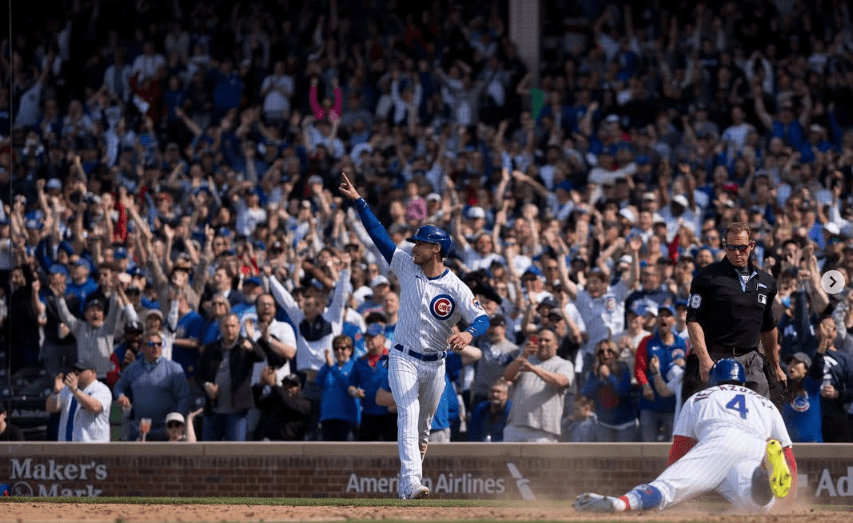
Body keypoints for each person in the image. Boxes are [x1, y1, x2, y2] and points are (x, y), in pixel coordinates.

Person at [340, 172, 489, 500]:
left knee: (423, 429)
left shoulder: (455, 286)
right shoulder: (407, 266)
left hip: (436, 365)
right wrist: (359, 202)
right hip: (403, 355)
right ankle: (409, 481)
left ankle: (411, 479)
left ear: (435, 249)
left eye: (420, 243)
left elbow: (483, 318)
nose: (414, 246)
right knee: (406, 414)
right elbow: (379, 236)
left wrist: (468, 332)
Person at [574, 359, 796, 513]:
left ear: (714, 380)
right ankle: (762, 472)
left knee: (666, 488)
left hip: (719, 443)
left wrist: (680, 483)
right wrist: (789, 501)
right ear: (742, 382)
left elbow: (679, 448)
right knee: (758, 505)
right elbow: (787, 454)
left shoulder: (699, 398)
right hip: (756, 447)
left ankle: (622, 503)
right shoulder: (764, 403)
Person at [685, 222, 784, 405]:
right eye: (731, 247)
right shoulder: (706, 277)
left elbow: (768, 327)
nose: (736, 252)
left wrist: (776, 366)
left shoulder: (766, 282)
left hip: (752, 361)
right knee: (716, 415)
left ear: (751, 246)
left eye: (741, 247)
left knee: (761, 415)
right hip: (717, 357)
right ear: (724, 245)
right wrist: (704, 359)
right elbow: (693, 320)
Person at [196, 313, 266, 441]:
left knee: (236, 454)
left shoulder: (244, 346)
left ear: (239, 327)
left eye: (233, 326)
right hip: (213, 410)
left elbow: (261, 356)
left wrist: (250, 343)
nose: (230, 330)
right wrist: (207, 386)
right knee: (208, 454)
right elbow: (199, 375)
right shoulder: (211, 349)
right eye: (226, 326)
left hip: (237, 412)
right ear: (221, 328)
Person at [113, 330, 191, 441]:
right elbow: (119, 386)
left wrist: (176, 424)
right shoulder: (133, 368)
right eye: (151, 344)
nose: (155, 347)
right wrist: (121, 395)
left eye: (159, 344)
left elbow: (184, 397)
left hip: (165, 430)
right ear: (142, 348)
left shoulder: (174, 368)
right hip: (139, 428)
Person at [502, 327, 574, 442]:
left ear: (557, 344)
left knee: (539, 461)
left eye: (547, 340)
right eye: (539, 340)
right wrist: (523, 355)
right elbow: (507, 376)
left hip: (542, 430)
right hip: (516, 425)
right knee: (509, 460)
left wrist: (533, 369)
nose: (542, 343)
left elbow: (561, 381)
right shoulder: (526, 360)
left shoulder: (564, 364)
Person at [634, 304, 686, 442]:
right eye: (660, 315)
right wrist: (645, 385)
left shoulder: (682, 343)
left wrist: (685, 365)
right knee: (647, 449)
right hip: (650, 404)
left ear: (673, 320)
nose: (663, 318)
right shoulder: (647, 342)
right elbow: (639, 368)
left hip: (672, 407)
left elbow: (688, 372)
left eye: (667, 315)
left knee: (670, 450)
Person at [581, 339, 637, 442]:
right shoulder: (595, 372)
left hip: (625, 425)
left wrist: (609, 376)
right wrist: (599, 380)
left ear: (615, 353)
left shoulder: (623, 368)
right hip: (604, 424)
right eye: (601, 352)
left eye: (609, 351)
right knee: (604, 458)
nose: (605, 354)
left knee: (625, 458)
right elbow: (586, 393)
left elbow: (624, 391)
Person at [348, 323, 396, 442]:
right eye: (367, 338)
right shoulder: (360, 362)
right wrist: (355, 392)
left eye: (372, 337)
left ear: (382, 339)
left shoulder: (394, 358)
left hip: (390, 415)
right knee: (366, 453)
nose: (368, 341)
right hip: (369, 415)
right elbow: (351, 384)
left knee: (392, 453)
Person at [45, 359, 112, 442]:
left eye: (80, 370)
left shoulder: (101, 389)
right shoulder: (67, 389)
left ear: (93, 373)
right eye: (74, 370)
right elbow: (50, 408)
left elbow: (95, 406)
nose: (76, 372)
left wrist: (75, 390)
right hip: (67, 448)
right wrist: (56, 392)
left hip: (93, 449)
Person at [316, 334, 360, 441]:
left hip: (347, 418)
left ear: (350, 350)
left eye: (343, 348)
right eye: (336, 348)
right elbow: (318, 382)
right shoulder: (329, 366)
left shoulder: (354, 366)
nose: (339, 351)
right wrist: (327, 366)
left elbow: (347, 384)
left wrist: (332, 367)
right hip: (328, 417)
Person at [252, 371, 312, 441]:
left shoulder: (305, 403)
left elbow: (289, 404)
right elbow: (259, 403)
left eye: (293, 385)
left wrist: (274, 386)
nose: (289, 388)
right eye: (285, 384)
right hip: (268, 443)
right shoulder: (276, 400)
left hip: (290, 445)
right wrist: (261, 385)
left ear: (299, 387)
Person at [781, 352, 822, 443]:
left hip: (812, 444)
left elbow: (818, 367)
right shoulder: (786, 389)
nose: (792, 366)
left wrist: (820, 350)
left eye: (796, 363)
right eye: (790, 363)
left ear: (806, 369)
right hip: (790, 445)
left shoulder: (811, 385)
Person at [467, 377, 511, 442]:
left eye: (498, 392)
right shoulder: (480, 408)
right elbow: (473, 433)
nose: (494, 394)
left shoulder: (511, 411)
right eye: (492, 391)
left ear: (506, 395)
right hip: (481, 448)